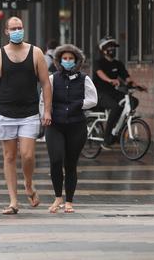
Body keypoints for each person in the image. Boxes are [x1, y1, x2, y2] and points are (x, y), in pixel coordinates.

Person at [0, 16, 52, 215]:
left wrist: (47, 110)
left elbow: (46, 83)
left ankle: (29, 185)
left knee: (27, 155)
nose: (17, 31)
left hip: (29, 113)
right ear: (6, 31)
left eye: (20, 27)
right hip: (5, 113)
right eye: (13, 28)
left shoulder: (36, 53)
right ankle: (13, 201)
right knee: (9, 156)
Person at [41, 44, 97, 213]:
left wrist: (78, 104)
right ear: (59, 61)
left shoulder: (84, 79)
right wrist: (45, 114)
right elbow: (43, 99)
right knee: (56, 160)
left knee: (70, 163)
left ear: (77, 61)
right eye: (64, 59)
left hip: (76, 126)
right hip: (55, 125)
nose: (67, 61)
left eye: (70, 58)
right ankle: (58, 197)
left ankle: (69, 201)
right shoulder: (52, 78)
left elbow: (93, 99)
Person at [93, 36, 145, 149]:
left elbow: (127, 78)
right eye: (108, 47)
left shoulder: (118, 64)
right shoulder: (99, 62)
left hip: (112, 92)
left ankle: (117, 129)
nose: (111, 49)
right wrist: (110, 80)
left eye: (113, 47)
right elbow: (100, 74)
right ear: (103, 49)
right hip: (99, 93)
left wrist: (137, 85)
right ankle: (106, 139)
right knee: (116, 107)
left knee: (133, 101)